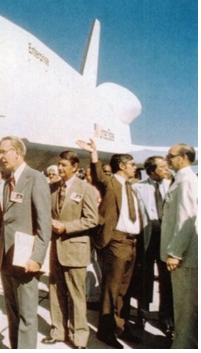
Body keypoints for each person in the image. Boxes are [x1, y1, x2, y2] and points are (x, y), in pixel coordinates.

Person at [77, 138, 140, 348]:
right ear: (122, 166)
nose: (135, 167)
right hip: (116, 241)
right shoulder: (110, 182)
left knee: (125, 289)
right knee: (111, 289)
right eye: (132, 164)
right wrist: (93, 154)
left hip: (132, 243)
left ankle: (120, 326)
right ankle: (105, 331)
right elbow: (98, 176)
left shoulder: (132, 187)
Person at [0, 136, 51, 349]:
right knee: (12, 315)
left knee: (27, 317)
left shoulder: (35, 178)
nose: (0, 157)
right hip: (7, 260)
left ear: (17, 152)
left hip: (26, 259)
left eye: (4, 151)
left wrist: (36, 257)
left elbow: (43, 224)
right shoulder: (7, 183)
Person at [43, 150, 99, 349]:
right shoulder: (53, 188)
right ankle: (58, 332)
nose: (59, 168)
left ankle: (79, 338)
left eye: (64, 165)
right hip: (56, 249)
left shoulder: (86, 189)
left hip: (75, 249)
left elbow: (92, 219)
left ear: (75, 167)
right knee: (56, 291)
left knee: (76, 295)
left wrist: (67, 227)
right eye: (59, 164)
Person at [127, 156, 173, 337]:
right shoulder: (138, 188)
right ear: (151, 171)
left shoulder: (172, 186)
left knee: (166, 280)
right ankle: (142, 314)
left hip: (166, 239)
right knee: (144, 279)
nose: (166, 169)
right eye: (162, 167)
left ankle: (166, 318)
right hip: (147, 238)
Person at [160, 144, 197, 349]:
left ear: (183, 157)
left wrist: (175, 252)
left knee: (185, 309)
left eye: (171, 156)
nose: (167, 159)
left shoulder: (187, 181)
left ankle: (183, 346)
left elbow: (186, 220)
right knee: (182, 307)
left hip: (184, 256)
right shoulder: (181, 180)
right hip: (181, 255)